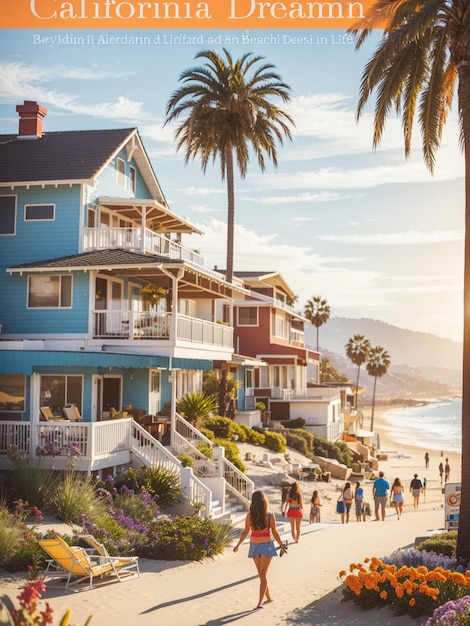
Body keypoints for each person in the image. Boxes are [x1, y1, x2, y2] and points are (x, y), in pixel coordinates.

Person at [233, 490, 284, 609]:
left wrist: (238, 545)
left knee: (262, 575)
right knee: (262, 575)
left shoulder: (250, 516)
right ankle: (266, 598)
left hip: (255, 546)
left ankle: (261, 601)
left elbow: (246, 532)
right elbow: (274, 532)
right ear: (264, 501)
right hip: (266, 545)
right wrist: (281, 544)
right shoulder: (270, 515)